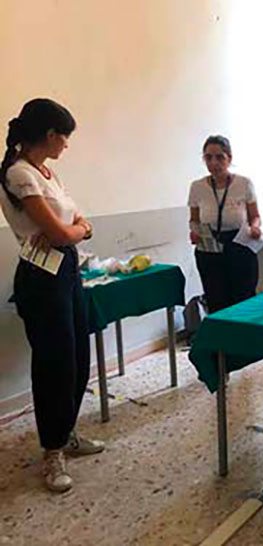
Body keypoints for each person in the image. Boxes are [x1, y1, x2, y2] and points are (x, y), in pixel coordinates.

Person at [0, 98, 105, 493]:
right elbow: (62, 232)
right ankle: (52, 451)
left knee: (77, 357)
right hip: (41, 277)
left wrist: (77, 230)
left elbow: (71, 226)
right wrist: (78, 231)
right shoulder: (19, 174)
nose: (66, 144)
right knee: (53, 364)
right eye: (64, 137)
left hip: (66, 269)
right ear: (49, 134)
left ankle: (67, 431)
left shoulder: (47, 173)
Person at [188, 135, 262, 313]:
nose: (213, 163)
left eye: (219, 157)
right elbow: (194, 220)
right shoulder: (197, 187)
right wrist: (194, 231)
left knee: (243, 301)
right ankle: (220, 332)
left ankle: (244, 332)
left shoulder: (244, 183)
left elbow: (255, 216)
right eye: (208, 157)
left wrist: (255, 227)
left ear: (229, 158)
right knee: (216, 301)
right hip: (209, 249)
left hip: (239, 245)